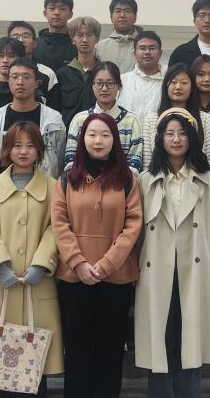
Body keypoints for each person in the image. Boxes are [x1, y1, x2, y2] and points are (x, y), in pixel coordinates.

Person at [0, 122, 65, 397]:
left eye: (30, 145)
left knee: (34, 368)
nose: (23, 151)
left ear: (40, 151)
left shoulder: (53, 187)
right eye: (17, 145)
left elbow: (56, 228)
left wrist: (41, 263)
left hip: (36, 284)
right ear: (7, 149)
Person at [135, 109, 210, 397]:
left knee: (190, 343)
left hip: (194, 267)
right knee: (160, 344)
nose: (176, 139)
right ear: (160, 138)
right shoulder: (146, 178)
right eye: (170, 133)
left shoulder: (207, 177)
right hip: (155, 270)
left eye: (182, 134)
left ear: (192, 139)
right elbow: (138, 230)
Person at [51, 113, 142, 398]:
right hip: (74, 278)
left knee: (110, 352)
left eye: (105, 135)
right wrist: (78, 263)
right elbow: (59, 223)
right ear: (82, 140)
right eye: (91, 134)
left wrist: (106, 265)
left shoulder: (127, 180)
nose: (98, 140)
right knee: (77, 351)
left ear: (115, 140)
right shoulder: (67, 179)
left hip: (115, 278)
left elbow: (133, 224)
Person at [0, 57, 65, 178]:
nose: (20, 82)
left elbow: (59, 160)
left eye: (26, 77)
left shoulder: (53, 120)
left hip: (42, 184)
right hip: (3, 185)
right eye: (15, 77)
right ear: (9, 81)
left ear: (37, 83)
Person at [64, 61, 144, 172]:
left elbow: (135, 162)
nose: (104, 88)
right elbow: (70, 159)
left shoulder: (132, 121)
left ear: (119, 85)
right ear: (92, 86)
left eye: (110, 83)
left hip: (121, 181)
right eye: (99, 83)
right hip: (84, 181)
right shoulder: (79, 119)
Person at [141, 63, 210, 171]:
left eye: (184, 83)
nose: (178, 87)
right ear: (165, 86)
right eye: (173, 82)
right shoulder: (151, 120)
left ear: (192, 87)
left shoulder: (204, 119)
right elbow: (147, 163)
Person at [51, 16, 102, 127]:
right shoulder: (62, 74)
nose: (84, 40)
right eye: (79, 35)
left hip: (98, 132)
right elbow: (55, 111)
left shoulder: (104, 72)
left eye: (89, 35)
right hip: (69, 133)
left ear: (97, 39)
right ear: (72, 40)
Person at [118, 31, 165, 117]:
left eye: (152, 48)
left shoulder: (169, 81)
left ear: (160, 53)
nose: (147, 52)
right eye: (142, 48)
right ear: (134, 53)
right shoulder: (122, 81)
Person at [8, 21, 58, 93]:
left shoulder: (47, 73)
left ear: (34, 43)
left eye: (26, 36)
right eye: (15, 37)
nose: (21, 40)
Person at [95, 0, 141, 73]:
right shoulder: (99, 47)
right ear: (111, 17)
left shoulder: (144, 47)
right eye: (118, 11)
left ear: (135, 17)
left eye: (127, 11)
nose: (122, 15)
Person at [32, 0, 76, 71]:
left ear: (70, 14)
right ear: (45, 13)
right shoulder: (34, 45)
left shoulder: (77, 45)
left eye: (62, 9)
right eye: (52, 8)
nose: (56, 13)